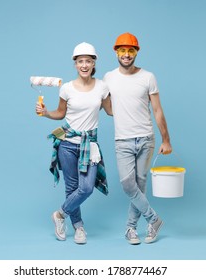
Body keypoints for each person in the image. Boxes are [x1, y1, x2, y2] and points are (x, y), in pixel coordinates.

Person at [35, 42, 112, 244]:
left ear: (94, 63)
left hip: (90, 144)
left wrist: (134, 98)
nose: (84, 65)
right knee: (71, 188)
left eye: (88, 61)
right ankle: (79, 227)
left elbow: (112, 110)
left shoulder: (103, 87)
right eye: (80, 62)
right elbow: (60, 114)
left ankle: (60, 214)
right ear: (75, 64)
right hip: (67, 144)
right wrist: (45, 113)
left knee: (85, 188)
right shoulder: (67, 88)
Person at [103, 32, 172, 245]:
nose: (126, 54)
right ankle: (154, 220)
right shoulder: (108, 78)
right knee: (128, 185)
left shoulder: (148, 77)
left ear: (136, 52)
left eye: (130, 50)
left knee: (140, 186)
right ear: (116, 52)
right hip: (122, 140)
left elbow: (158, 110)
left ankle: (131, 229)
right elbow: (108, 108)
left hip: (146, 139)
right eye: (122, 50)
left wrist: (166, 140)